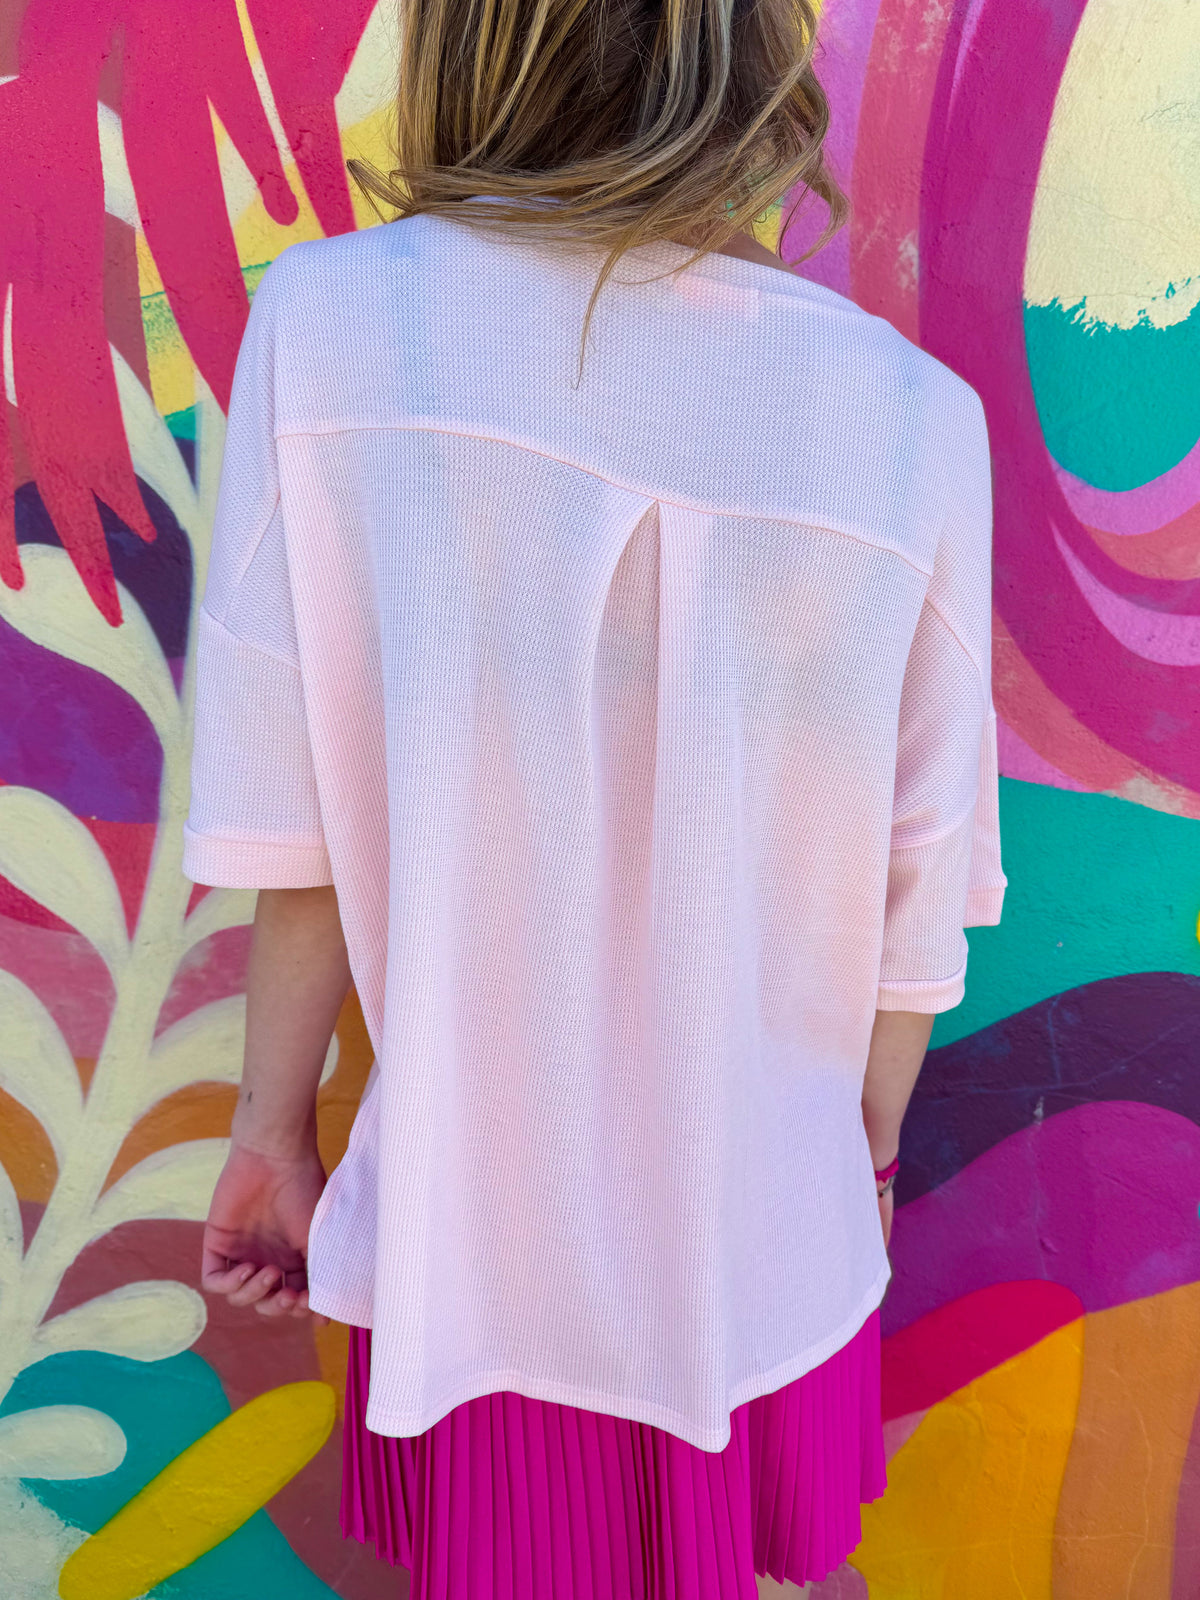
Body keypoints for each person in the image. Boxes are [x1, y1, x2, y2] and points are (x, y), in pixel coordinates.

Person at [184, 0, 1006, 1590]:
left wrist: (274, 1129)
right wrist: (852, 1174)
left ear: (476, 42)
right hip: (767, 1253)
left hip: (472, 1249)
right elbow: (921, 900)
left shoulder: (337, 324)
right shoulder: (915, 420)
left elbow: (305, 824)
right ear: (754, 62)